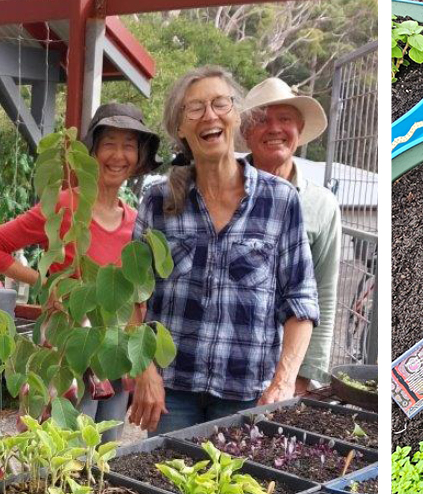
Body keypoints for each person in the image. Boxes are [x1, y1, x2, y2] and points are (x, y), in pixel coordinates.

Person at [127, 65, 319, 433]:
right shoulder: (159, 201)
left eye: (220, 103)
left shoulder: (280, 201)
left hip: (248, 394)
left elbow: (301, 299)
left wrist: (283, 383)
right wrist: (144, 372)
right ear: (180, 128)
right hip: (172, 393)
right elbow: (132, 298)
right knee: (171, 472)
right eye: (194, 108)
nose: (209, 115)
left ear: (237, 116)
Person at [0, 103, 161, 433]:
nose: (119, 155)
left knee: (105, 450)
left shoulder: (136, 223)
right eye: (109, 143)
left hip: (115, 357)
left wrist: (143, 364)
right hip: (64, 354)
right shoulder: (65, 205)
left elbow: (134, 300)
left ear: (139, 156)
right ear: (92, 152)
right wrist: (46, 283)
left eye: (129, 145)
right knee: (57, 448)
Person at [238, 77, 342, 393]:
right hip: (227, 362)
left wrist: (302, 375)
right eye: (261, 120)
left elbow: (324, 292)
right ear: (246, 133)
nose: (274, 129)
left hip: (285, 371)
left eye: (285, 119)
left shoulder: (321, 204)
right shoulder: (222, 192)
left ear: (299, 129)